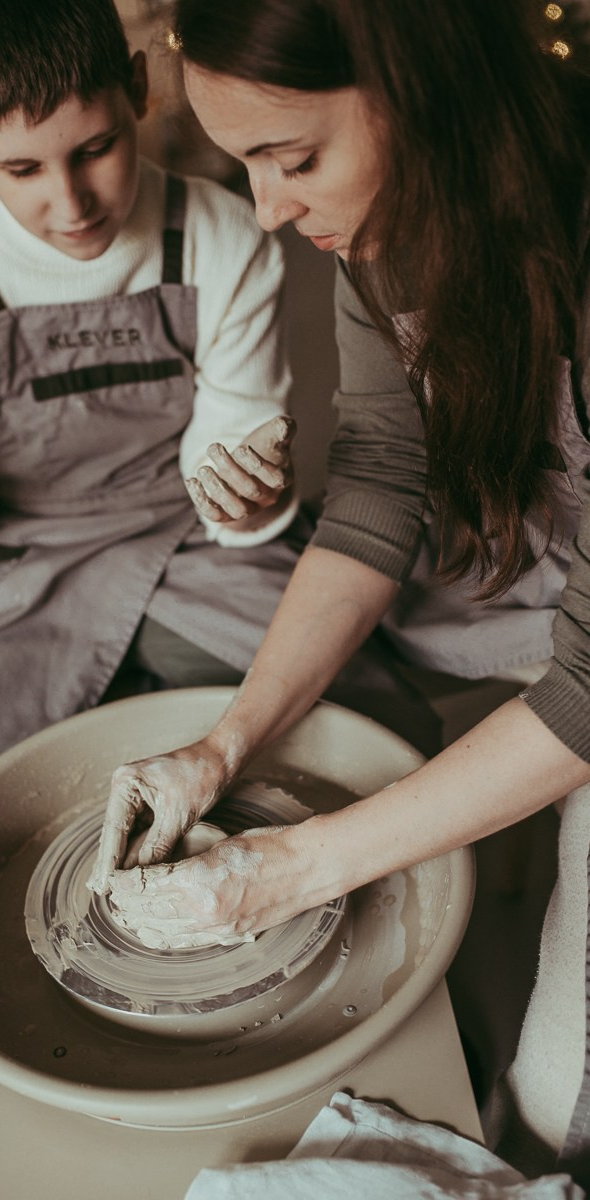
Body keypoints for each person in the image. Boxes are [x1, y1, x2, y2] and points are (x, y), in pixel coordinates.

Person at [88, 0, 590, 1185]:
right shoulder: (388, 225)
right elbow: (380, 477)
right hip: (560, 570)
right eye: (244, 166)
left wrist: (289, 871)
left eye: (293, 158)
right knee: (290, 678)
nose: (267, 209)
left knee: (558, 1098)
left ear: (418, 88)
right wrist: (221, 748)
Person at [0, 0, 318, 918]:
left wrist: (247, 494)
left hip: (193, 544)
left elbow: (235, 434)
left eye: (93, 149)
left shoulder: (221, 233)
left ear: (137, 90)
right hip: (14, 563)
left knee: (355, 734)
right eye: (22, 168)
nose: (71, 202)